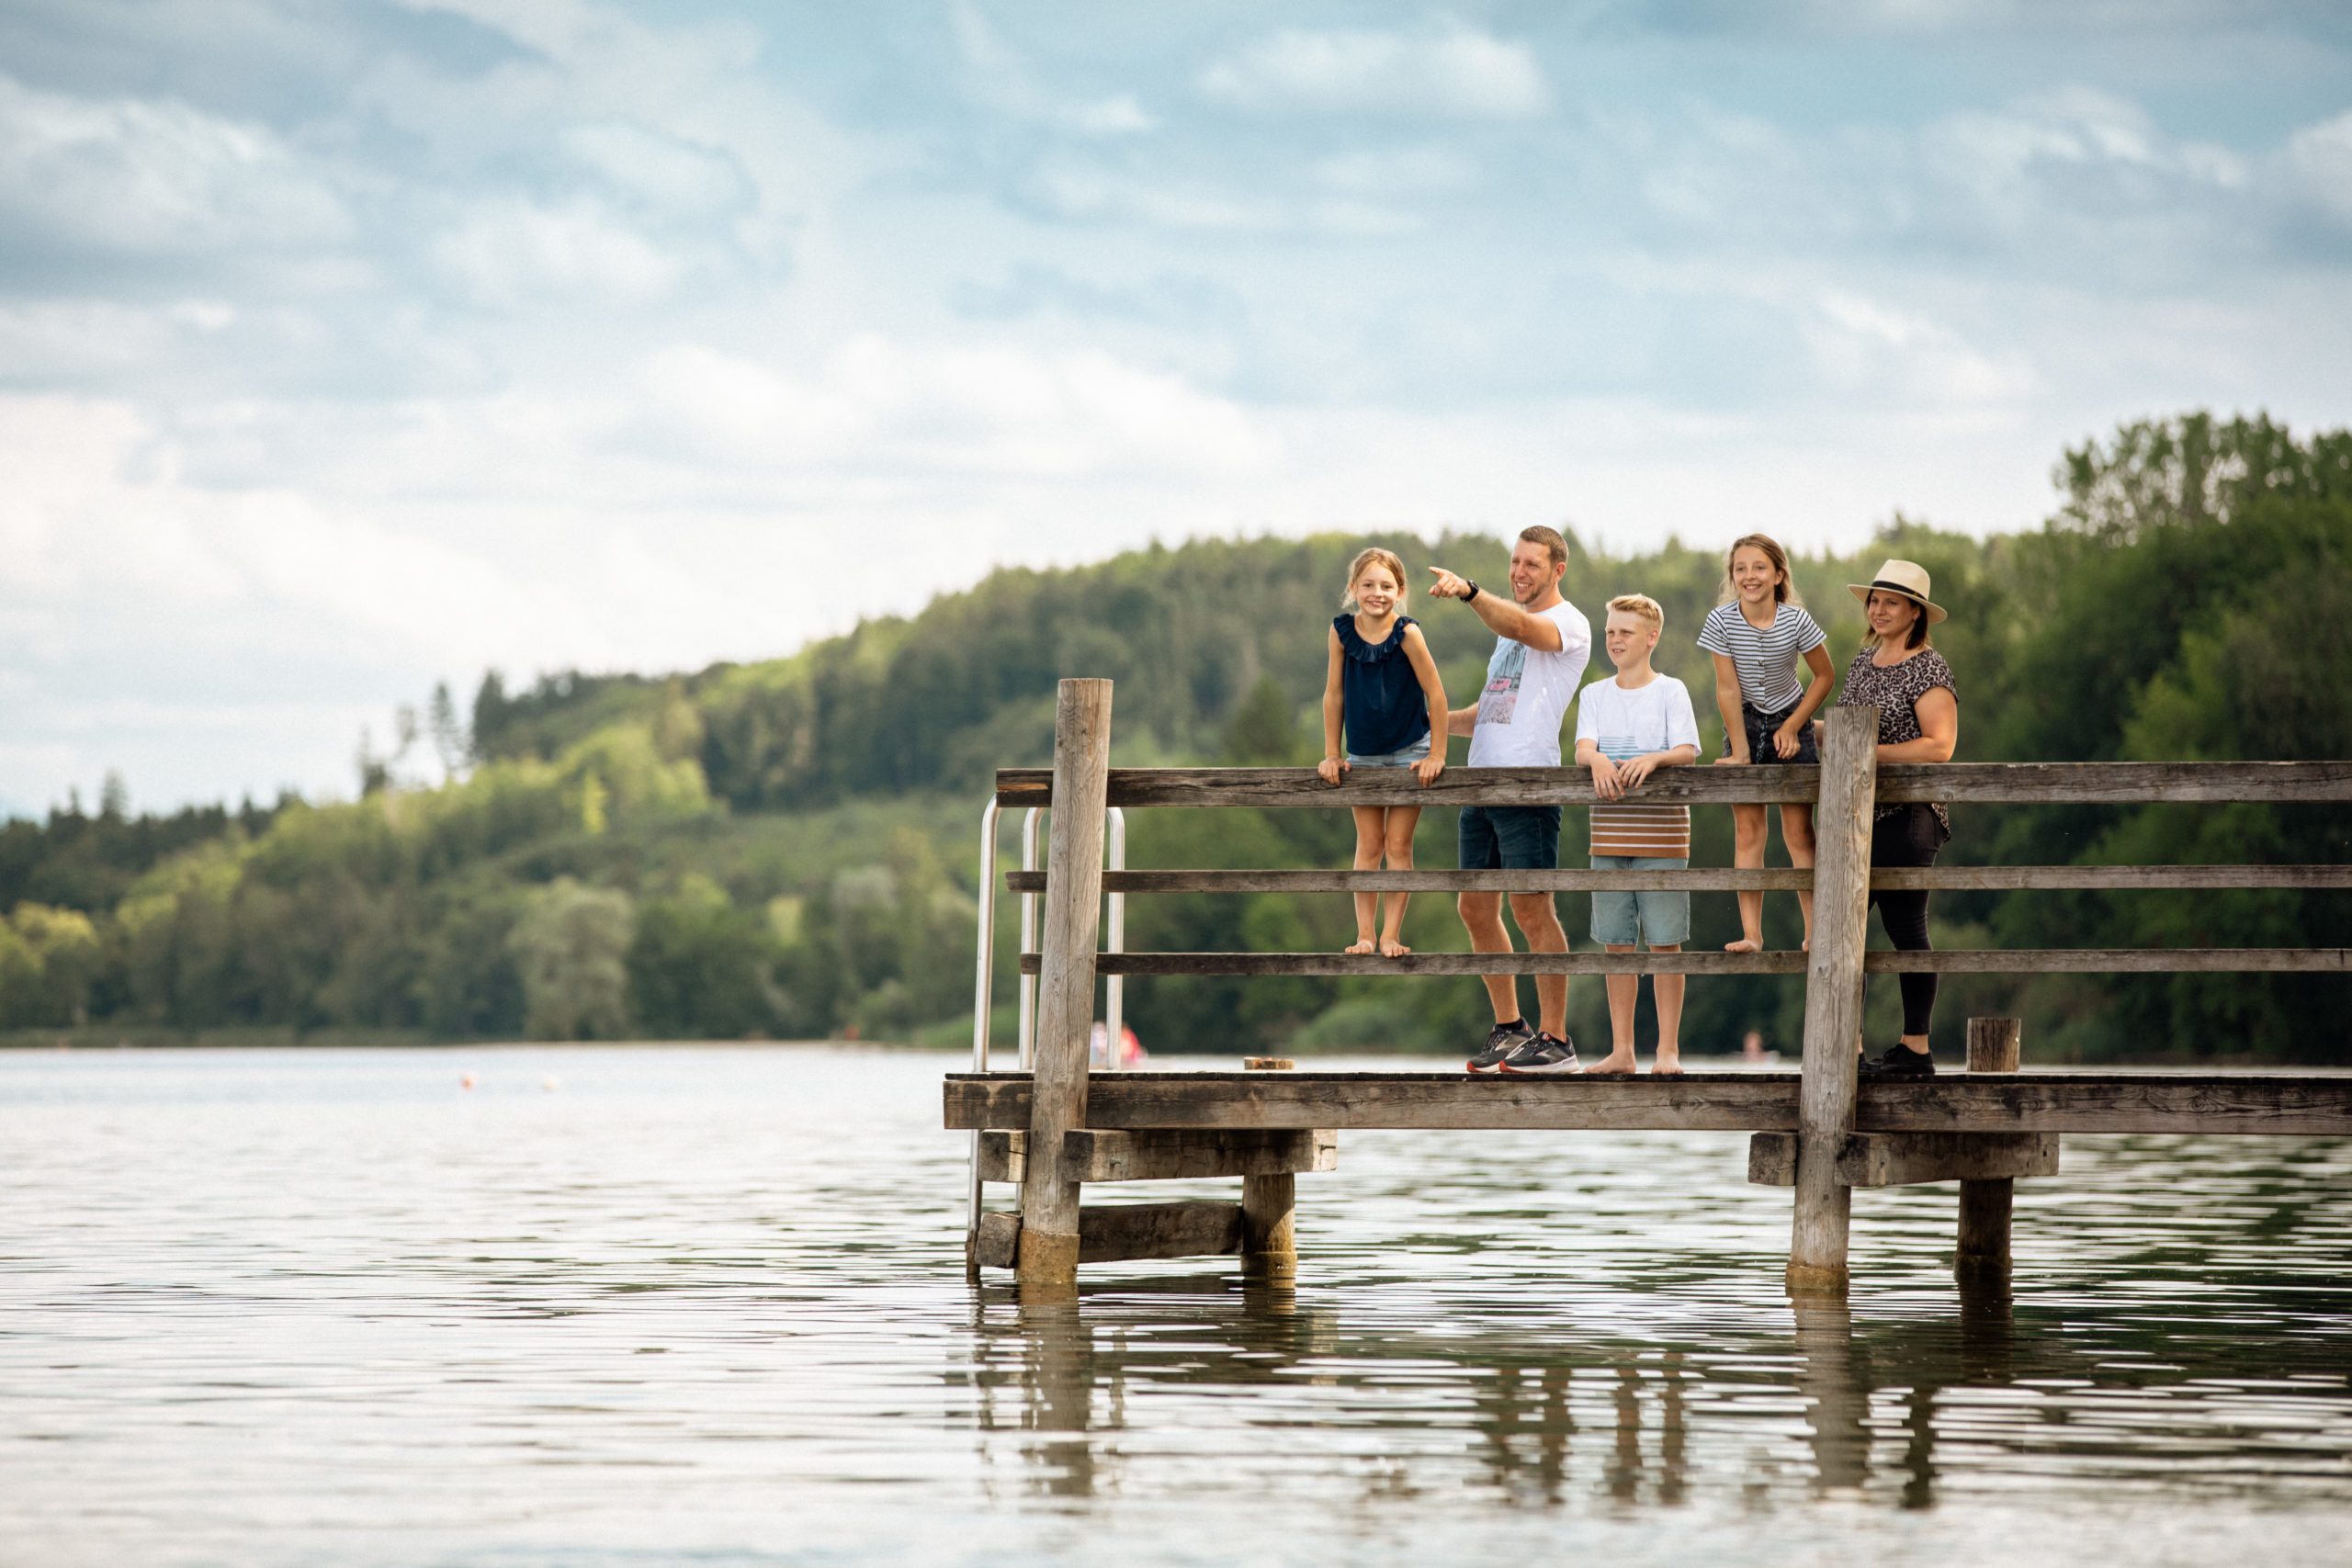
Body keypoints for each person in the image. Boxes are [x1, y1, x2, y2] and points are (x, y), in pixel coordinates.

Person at [1427, 527, 1593, 1074]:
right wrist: (1424, 728)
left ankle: (1556, 1039)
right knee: (1474, 907)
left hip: (1528, 785)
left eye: (1532, 564)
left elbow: (1520, 624)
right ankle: (1508, 1027)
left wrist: (1471, 593)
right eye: (1515, 562)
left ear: (1557, 569)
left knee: (1532, 908)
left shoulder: (1568, 624)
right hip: (1481, 779)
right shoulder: (1504, 638)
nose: (1520, 572)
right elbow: (1490, 710)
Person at [1836, 558, 1959, 1078]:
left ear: (1915, 613)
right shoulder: (1864, 662)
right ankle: (1848, 1048)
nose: (1879, 609)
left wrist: (1867, 751)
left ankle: (1915, 1048)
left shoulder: (1929, 666)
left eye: (1891, 602)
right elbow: (1846, 726)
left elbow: (1941, 745)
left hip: (1909, 816)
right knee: (1843, 929)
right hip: (1857, 813)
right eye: (1875, 600)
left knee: (1906, 928)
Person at [1573, 595, 1702, 1076]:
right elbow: (1584, 747)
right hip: (1607, 837)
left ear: (1651, 637)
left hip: (1663, 837)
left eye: (1625, 632)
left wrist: (1655, 758)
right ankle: (1622, 1050)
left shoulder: (1671, 691)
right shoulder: (1595, 694)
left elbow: (1688, 749)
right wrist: (1599, 759)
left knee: (1666, 943)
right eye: (1610, 631)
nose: (1615, 640)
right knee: (1616, 943)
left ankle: (1667, 1050)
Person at [1698, 534, 1836, 953]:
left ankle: (1815, 931)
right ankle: (1752, 934)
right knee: (1749, 832)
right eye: (1740, 569)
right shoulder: (1720, 621)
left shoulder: (1796, 621)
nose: (1749, 576)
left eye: (1759, 568)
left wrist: (1795, 726)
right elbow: (1727, 690)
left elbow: (1824, 676)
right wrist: (1739, 750)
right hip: (1745, 723)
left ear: (1778, 574)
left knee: (1798, 833)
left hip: (1791, 717)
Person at [1317, 547, 1449, 956]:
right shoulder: (1341, 632)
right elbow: (1334, 693)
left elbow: (1437, 695)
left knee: (1398, 846)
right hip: (1364, 754)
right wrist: (1331, 753)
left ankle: (1391, 933)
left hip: (1410, 748)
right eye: (1369, 585)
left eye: (1386, 586)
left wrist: (1437, 756)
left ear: (1400, 590)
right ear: (1354, 588)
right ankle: (1365, 935)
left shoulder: (1407, 634)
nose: (1377, 593)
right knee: (1369, 845)